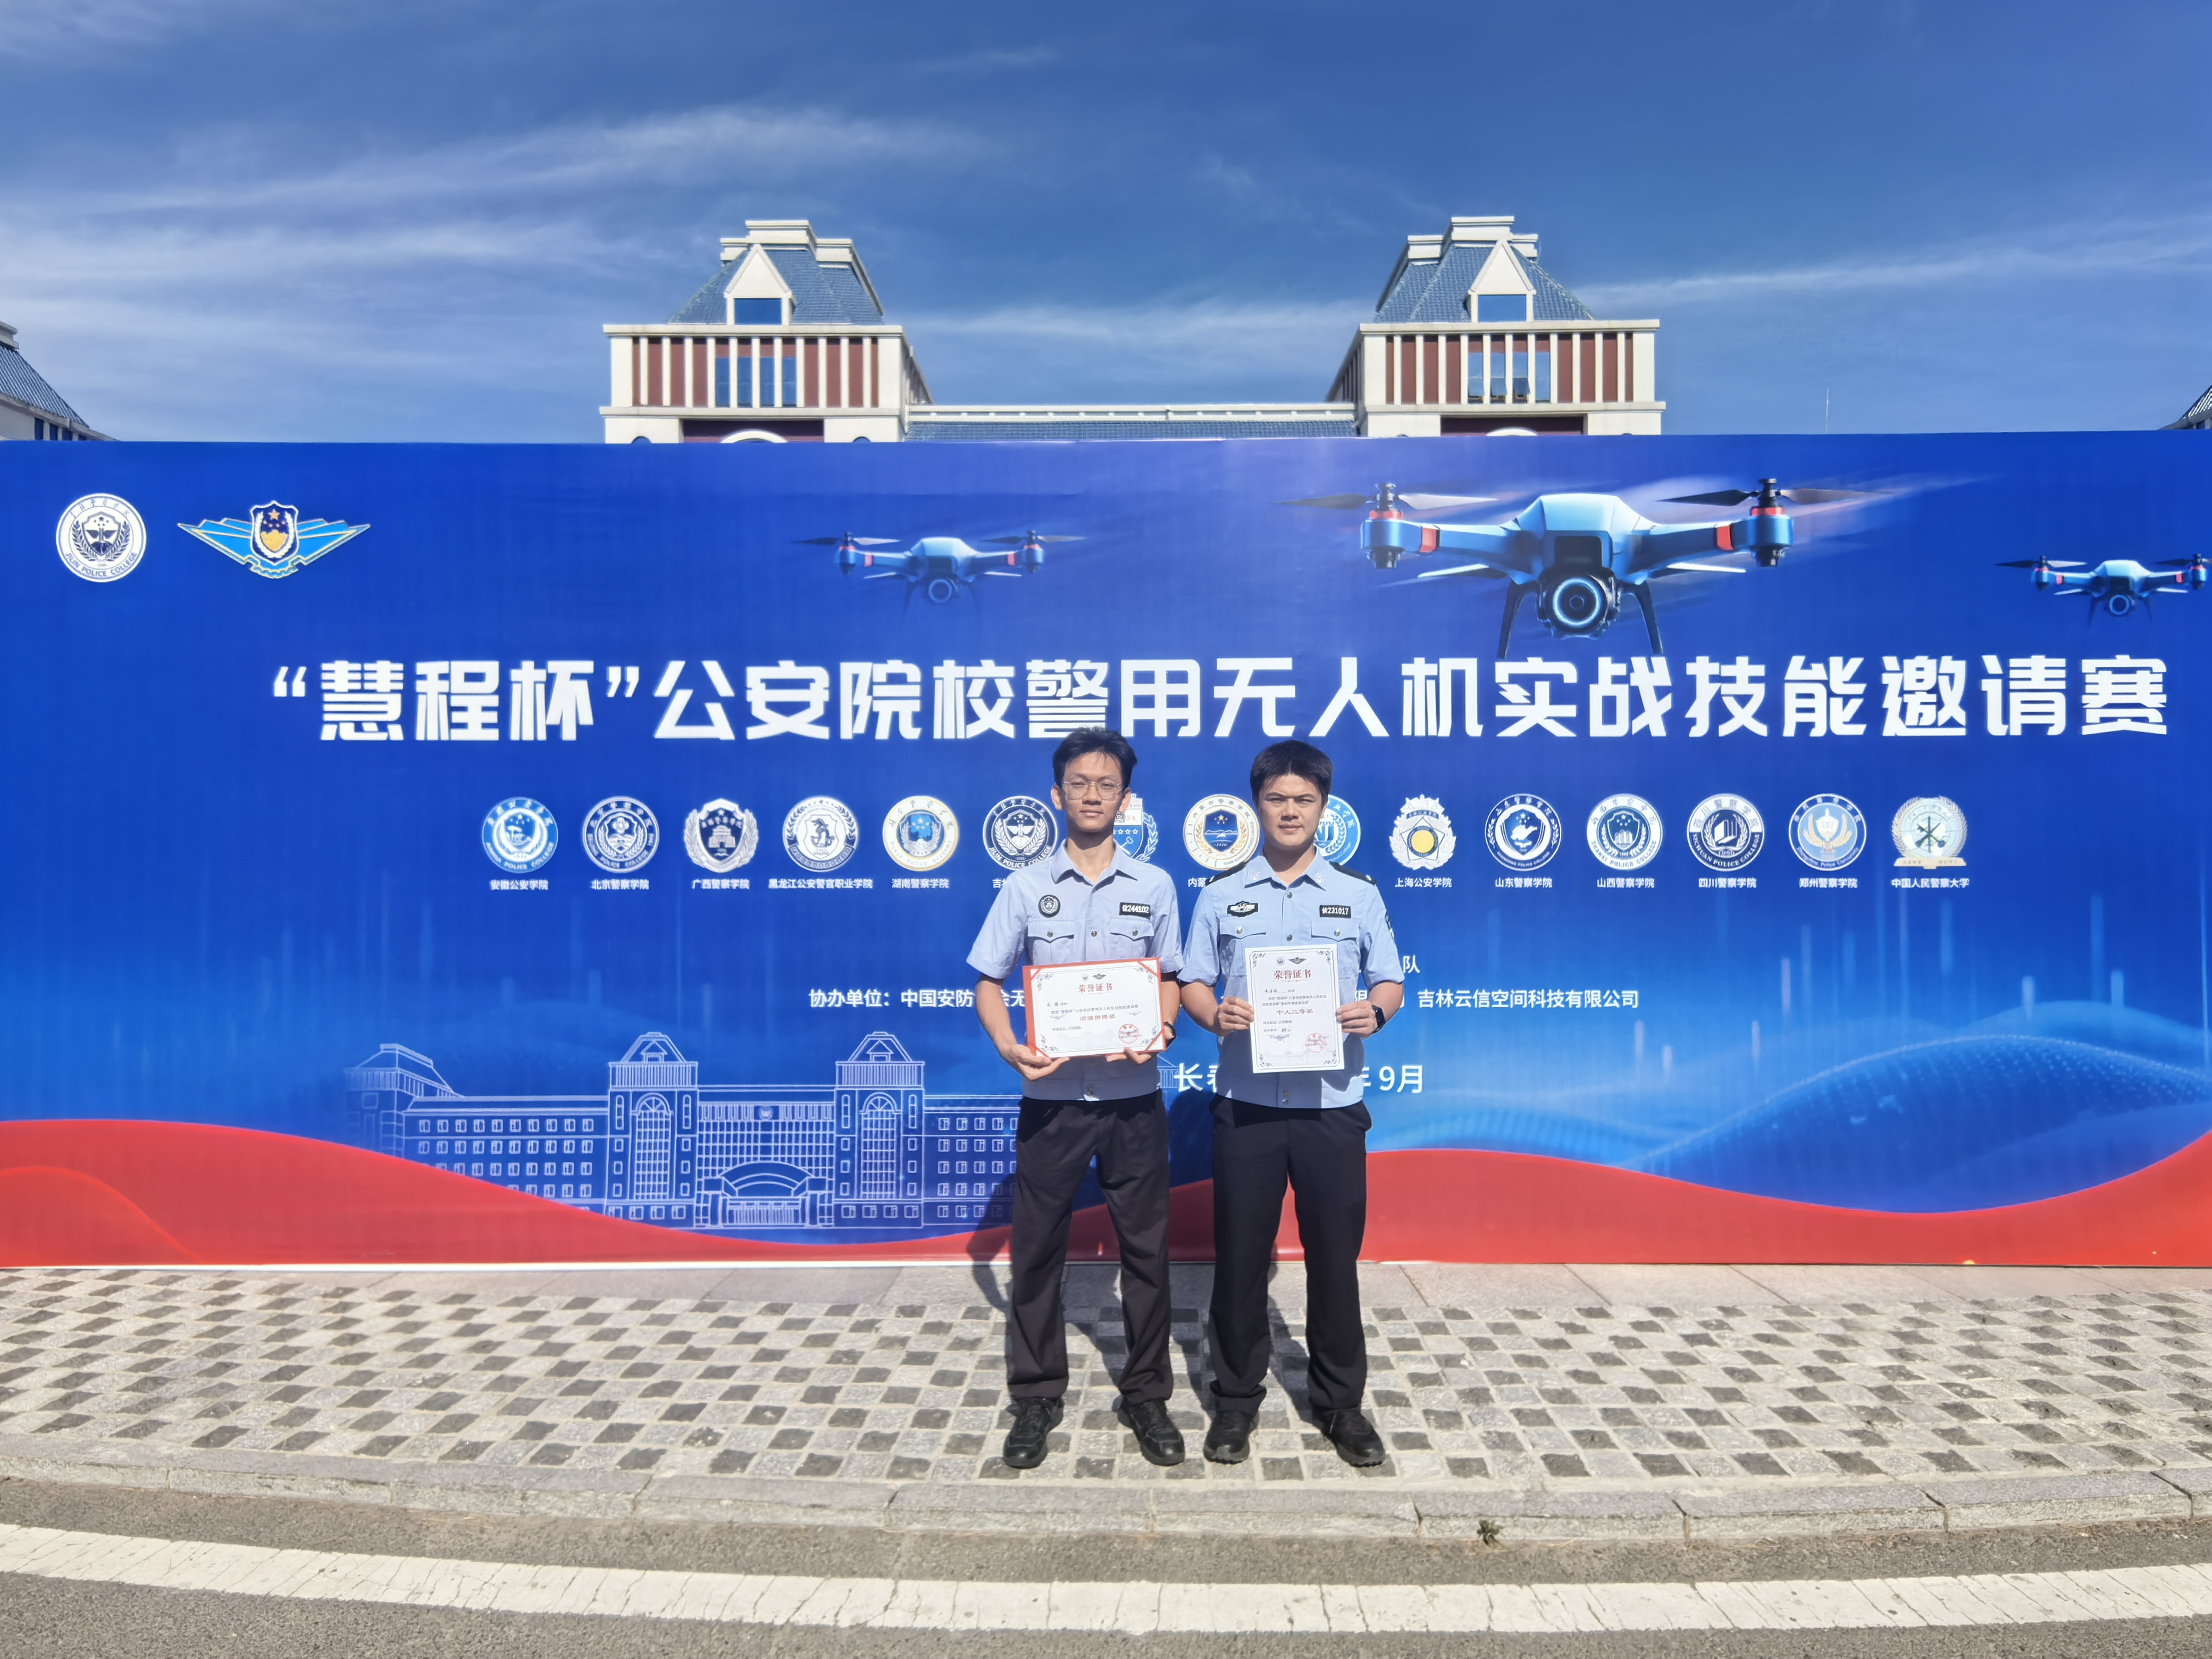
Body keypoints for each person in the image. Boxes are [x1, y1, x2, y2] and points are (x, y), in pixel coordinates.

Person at [1179, 739, 1404, 1467]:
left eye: (1304, 799)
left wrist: (1376, 1011)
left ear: (1323, 808)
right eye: (1277, 798)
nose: (1289, 811)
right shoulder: (1221, 895)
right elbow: (1192, 982)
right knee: (1241, 1260)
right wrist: (1214, 1015)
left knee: (1335, 1260)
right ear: (1257, 805)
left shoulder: (1358, 894)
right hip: (1246, 1104)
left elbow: (1390, 980)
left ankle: (1340, 1405)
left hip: (1330, 1106)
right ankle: (1234, 1401)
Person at [968, 727, 1187, 1470]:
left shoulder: (1154, 886)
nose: (1093, 795)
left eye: (1107, 785)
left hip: (1132, 1100)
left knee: (1147, 1254)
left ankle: (1147, 1394)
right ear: (1057, 794)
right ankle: (1035, 1397)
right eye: (1079, 784)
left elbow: (1169, 977)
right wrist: (1010, 1047)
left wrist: (1161, 1029)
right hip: (1053, 1102)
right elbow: (988, 982)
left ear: (1126, 798)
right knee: (1036, 1254)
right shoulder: (1025, 887)